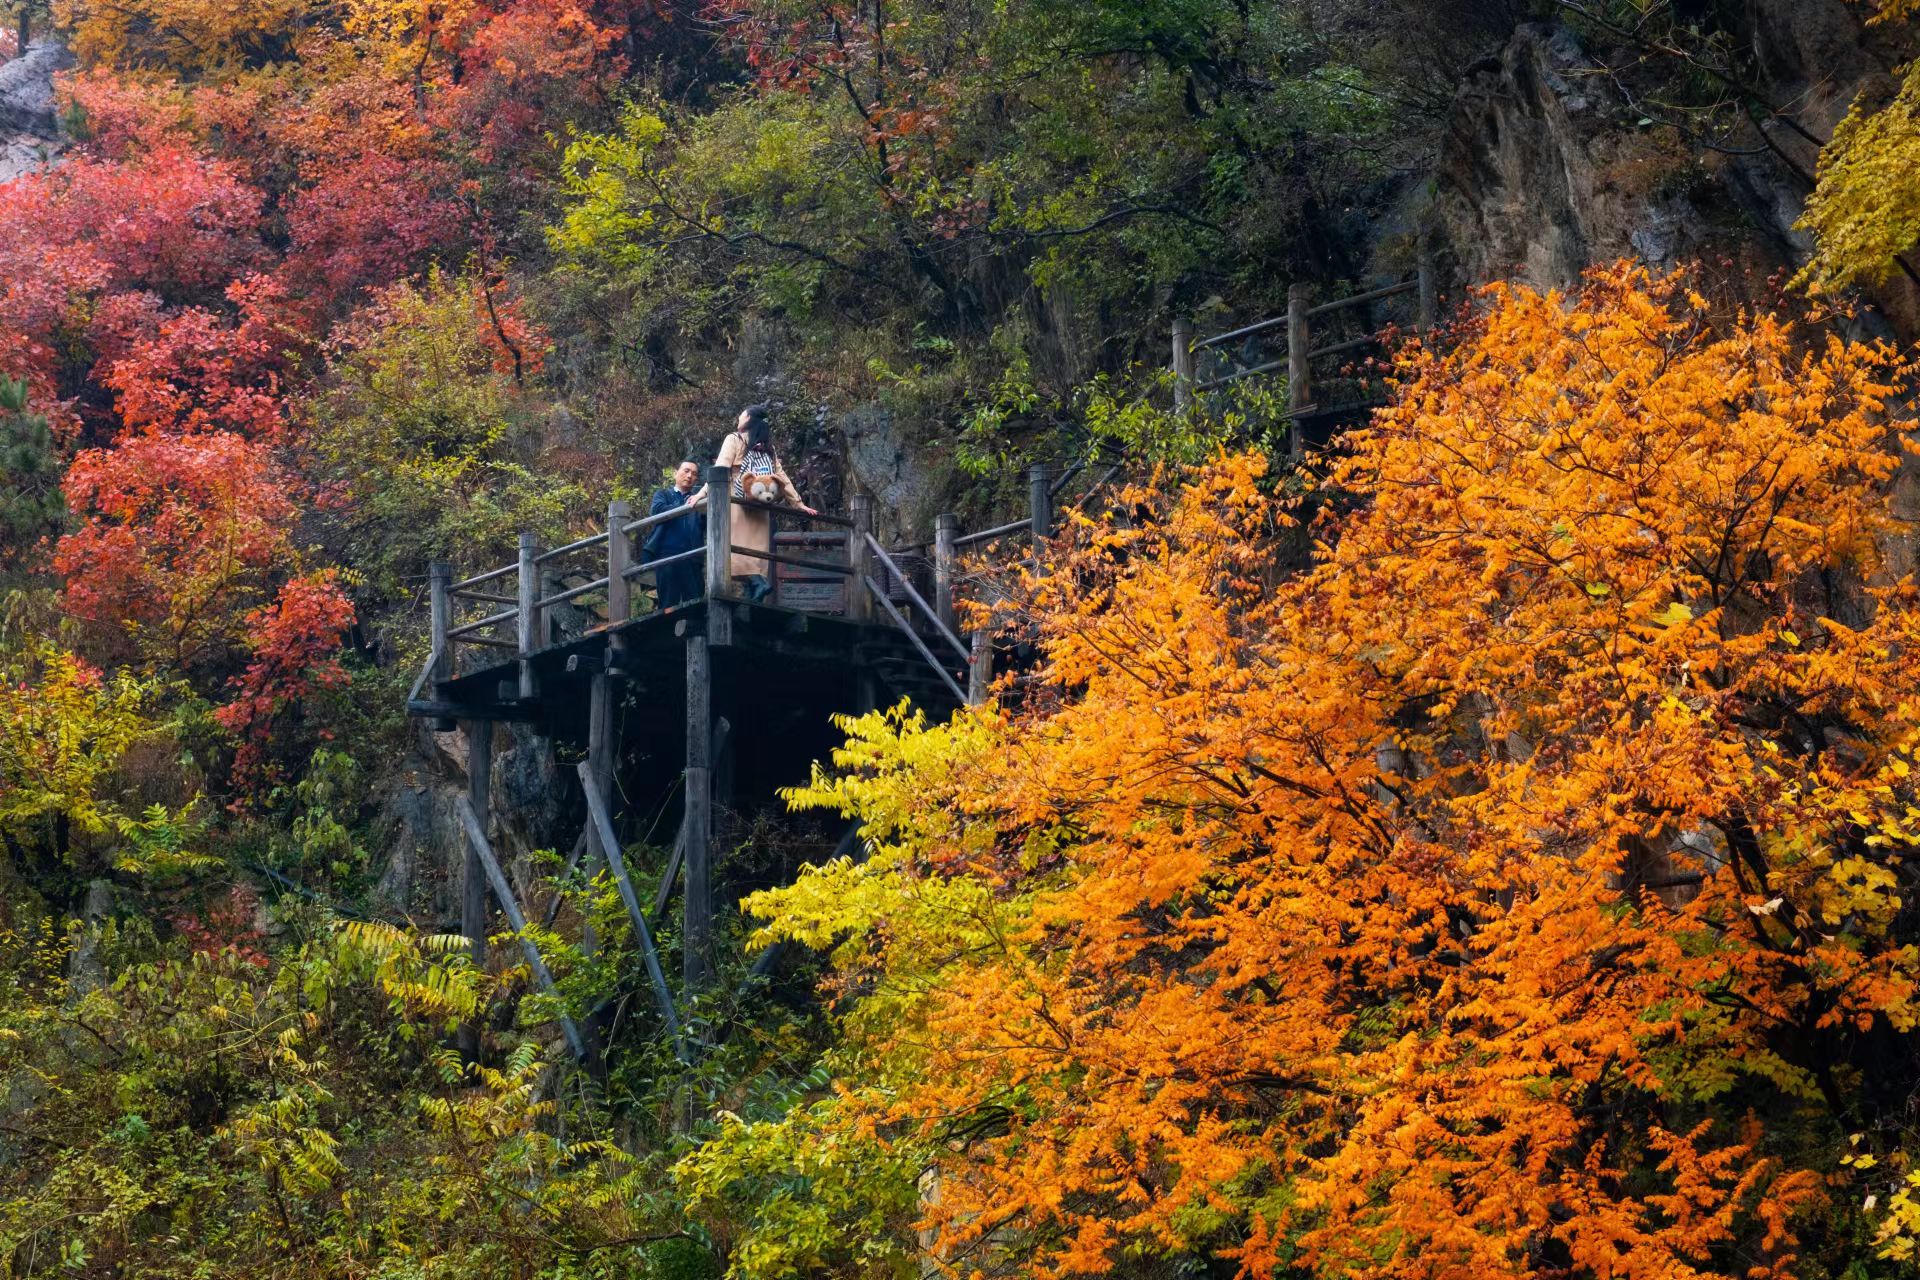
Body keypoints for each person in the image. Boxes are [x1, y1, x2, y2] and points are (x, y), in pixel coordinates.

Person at [699, 404, 815, 602]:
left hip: (737, 500)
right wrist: (798, 503)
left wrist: (701, 495)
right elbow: (781, 477)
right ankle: (757, 587)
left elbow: (720, 470)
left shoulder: (734, 439)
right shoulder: (768, 447)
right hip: (760, 504)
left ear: (748, 419)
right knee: (755, 550)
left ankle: (757, 585)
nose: (739, 417)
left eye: (741, 414)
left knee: (732, 547)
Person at [642, 460, 705, 608]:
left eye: (694, 474)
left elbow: (707, 522)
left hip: (692, 556)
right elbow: (656, 511)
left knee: (695, 602)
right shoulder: (663, 494)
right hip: (667, 556)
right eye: (686, 471)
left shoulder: (699, 501)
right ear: (675, 473)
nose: (690, 476)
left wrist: (698, 502)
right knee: (669, 603)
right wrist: (685, 506)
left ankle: (695, 630)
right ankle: (667, 630)